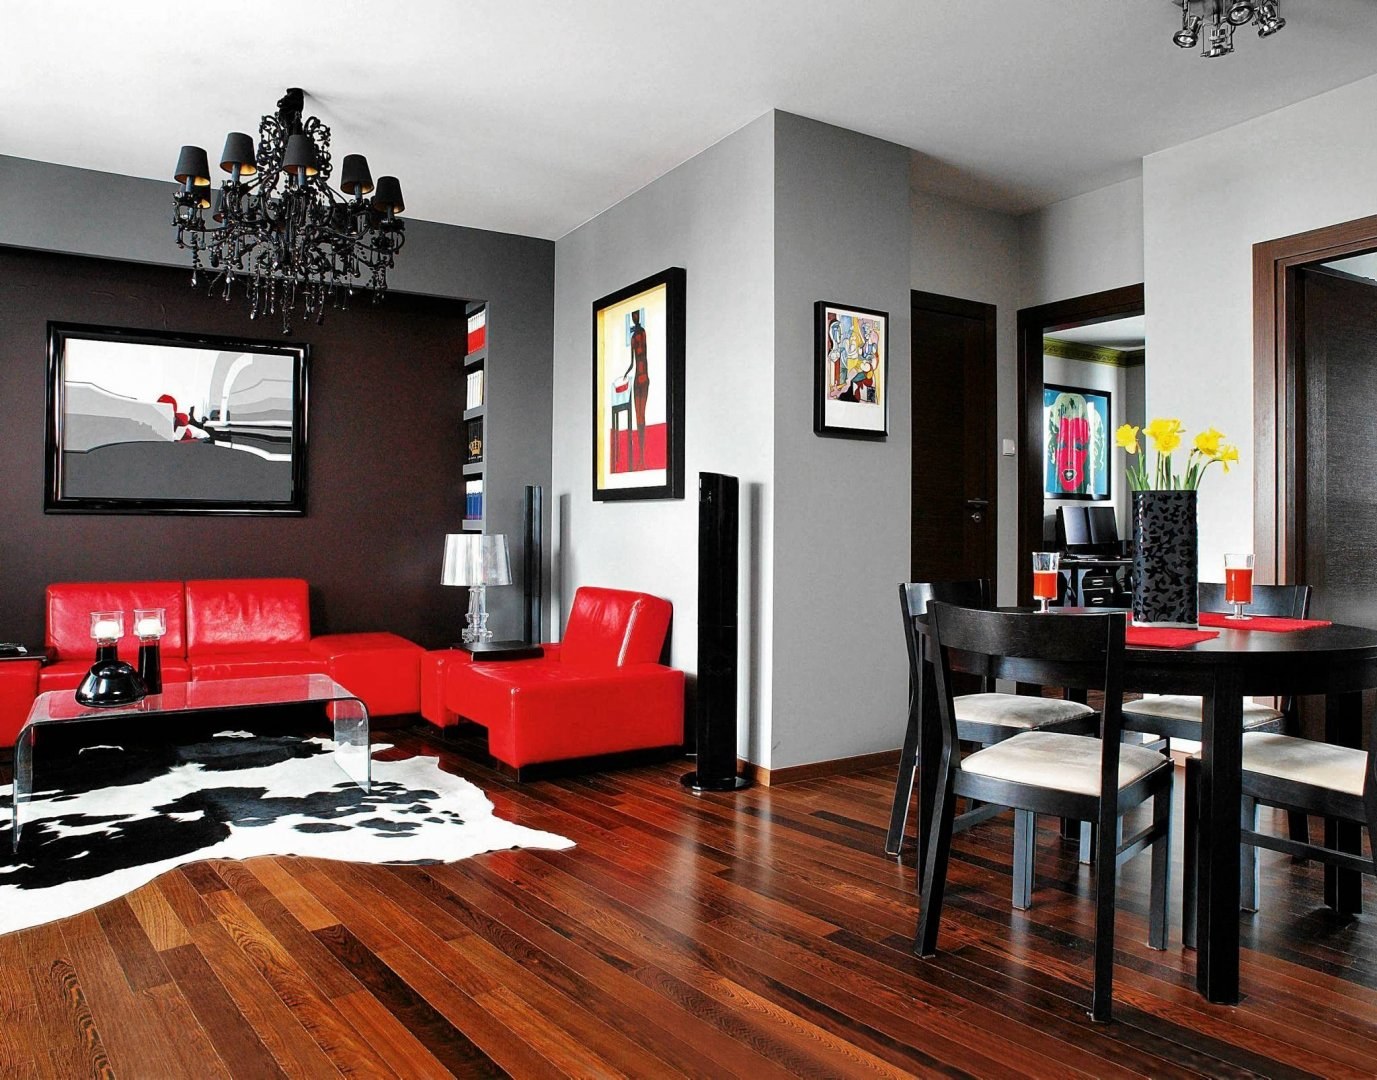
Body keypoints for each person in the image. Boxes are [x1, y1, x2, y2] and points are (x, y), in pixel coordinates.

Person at [621, 310, 650, 469]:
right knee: (638, 416)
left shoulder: (642, 334)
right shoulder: (633, 337)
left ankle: (642, 457)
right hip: (637, 380)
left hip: (643, 378)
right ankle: (640, 458)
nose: (635, 317)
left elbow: (644, 356)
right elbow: (632, 362)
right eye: (633, 315)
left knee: (641, 416)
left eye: (636, 314)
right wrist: (626, 373)